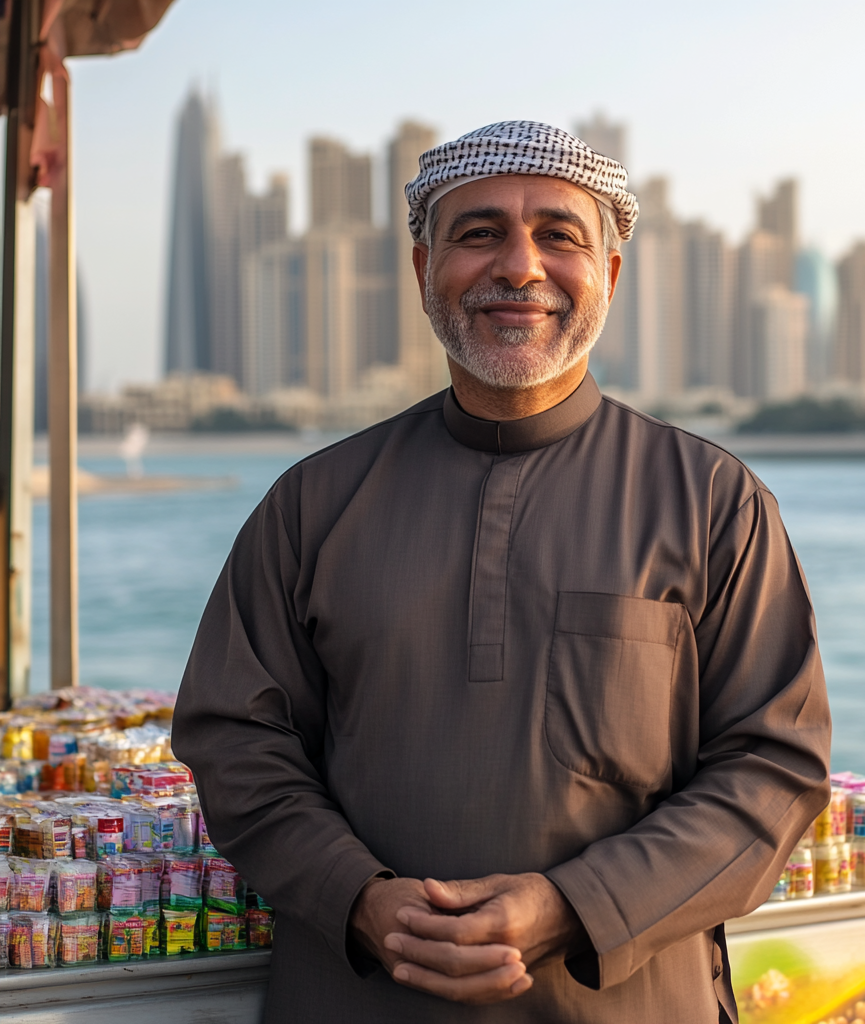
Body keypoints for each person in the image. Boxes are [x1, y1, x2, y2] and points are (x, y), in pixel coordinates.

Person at [172, 121, 831, 1023]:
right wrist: (362, 901)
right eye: (478, 233)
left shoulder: (713, 501)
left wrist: (574, 909)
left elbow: (773, 768)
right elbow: (234, 741)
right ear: (421, 269)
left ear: (610, 274)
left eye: (559, 235)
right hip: (359, 997)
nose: (519, 267)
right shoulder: (312, 505)